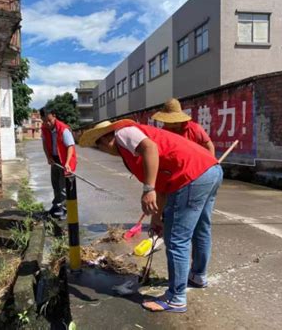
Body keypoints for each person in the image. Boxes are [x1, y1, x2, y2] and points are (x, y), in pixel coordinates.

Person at [79, 119, 223, 313]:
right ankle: (198, 276)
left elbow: (150, 149)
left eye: (100, 146)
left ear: (105, 140)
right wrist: (156, 218)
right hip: (209, 170)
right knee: (200, 229)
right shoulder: (130, 147)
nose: (104, 150)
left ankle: (176, 298)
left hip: (191, 175)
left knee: (176, 239)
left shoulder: (123, 133)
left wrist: (148, 189)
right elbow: (162, 184)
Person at [40, 109, 77, 218]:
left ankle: (65, 210)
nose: (47, 123)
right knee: (55, 183)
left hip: (65, 160)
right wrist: (49, 157)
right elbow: (45, 144)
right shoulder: (44, 129)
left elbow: (70, 146)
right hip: (55, 159)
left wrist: (67, 163)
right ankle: (56, 205)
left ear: (54, 116)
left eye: (49, 120)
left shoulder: (63, 129)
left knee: (63, 186)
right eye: (44, 121)